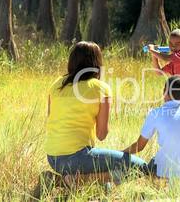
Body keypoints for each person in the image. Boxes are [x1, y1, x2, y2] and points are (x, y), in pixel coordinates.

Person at [33, 41, 146, 198]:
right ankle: (62, 181)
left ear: (72, 61)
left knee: (105, 187)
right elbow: (101, 134)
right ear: (97, 63)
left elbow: (51, 118)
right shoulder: (101, 88)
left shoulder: (56, 85)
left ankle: (67, 185)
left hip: (53, 157)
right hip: (77, 157)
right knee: (139, 166)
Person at [123, 75, 180, 178]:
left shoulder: (155, 113)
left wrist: (119, 153)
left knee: (140, 171)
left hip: (165, 171)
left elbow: (139, 147)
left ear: (164, 92)